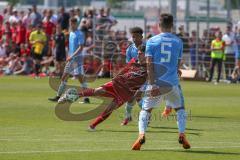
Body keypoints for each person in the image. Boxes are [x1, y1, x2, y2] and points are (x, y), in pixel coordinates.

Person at [131, 13, 191, 150]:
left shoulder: (152, 41)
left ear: (159, 25)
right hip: (172, 83)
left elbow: (149, 64)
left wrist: (152, 84)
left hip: (156, 82)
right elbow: (177, 63)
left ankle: (141, 135)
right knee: (180, 109)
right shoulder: (178, 41)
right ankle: (182, 133)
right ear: (172, 25)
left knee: (146, 110)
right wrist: (176, 71)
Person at [58, 45, 147, 131]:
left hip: (126, 92)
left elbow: (148, 80)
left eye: (140, 53)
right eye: (138, 53)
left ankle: (92, 126)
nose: (138, 55)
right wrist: (116, 78)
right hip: (118, 84)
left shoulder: (149, 67)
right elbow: (125, 70)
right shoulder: (134, 61)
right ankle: (70, 96)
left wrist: (140, 90)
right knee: (98, 91)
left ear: (145, 54)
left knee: (110, 109)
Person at [48, 18, 89, 103]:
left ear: (76, 24)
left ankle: (86, 97)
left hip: (77, 59)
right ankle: (58, 96)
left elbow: (81, 48)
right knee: (64, 76)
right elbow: (70, 47)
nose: (71, 25)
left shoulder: (80, 34)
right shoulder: (71, 33)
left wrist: (72, 56)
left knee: (80, 78)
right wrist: (68, 56)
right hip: (71, 59)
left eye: (73, 24)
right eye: (70, 24)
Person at [121, 27, 144, 126]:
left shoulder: (147, 47)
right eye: (133, 37)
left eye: (137, 36)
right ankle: (127, 117)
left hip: (145, 76)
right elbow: (128, 65)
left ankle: (146, 115)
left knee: (138, 96)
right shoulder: (130, 49)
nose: (134, 39)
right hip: (133, 76)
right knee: (130, 98)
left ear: (141, 37)